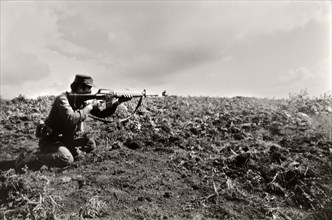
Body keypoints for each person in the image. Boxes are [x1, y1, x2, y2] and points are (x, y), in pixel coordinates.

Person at [15, 74, 131, 172]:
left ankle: (60, 153)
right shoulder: (62, 99)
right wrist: (90, 106)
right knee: (66, 159)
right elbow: (72, 118)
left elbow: (102, 113)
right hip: (51, 140)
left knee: (90, 144)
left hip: (66, 139)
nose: (91, 92)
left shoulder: (81, 102)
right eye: (88, 89)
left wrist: (117, 102)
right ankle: (31, 157)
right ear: (80, 87)